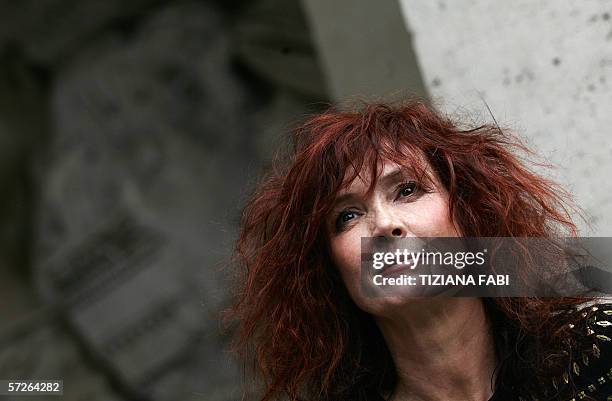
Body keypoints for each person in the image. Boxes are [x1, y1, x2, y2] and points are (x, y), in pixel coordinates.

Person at [225, 99, 612, 401]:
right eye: (347, 216)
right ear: (329, 271)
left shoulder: (597, 351)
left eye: (407, 190)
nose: (383, 224)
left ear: (469, 214)